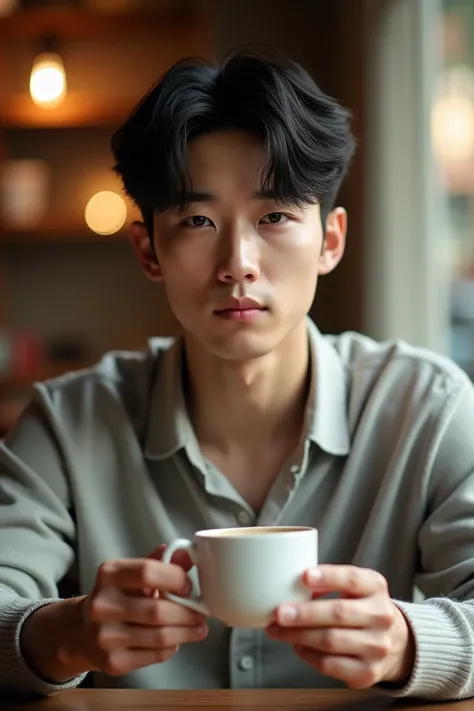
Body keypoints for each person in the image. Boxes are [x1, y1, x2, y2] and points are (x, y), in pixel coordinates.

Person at [0, 50, 473, 702]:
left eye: (274, 215)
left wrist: (405, 640)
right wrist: (64, 633)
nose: (237, 263)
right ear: (148, 250)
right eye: (197, 221)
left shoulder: (427, 407)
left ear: (330, 240)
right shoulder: (68, 421)